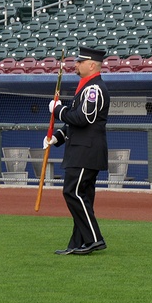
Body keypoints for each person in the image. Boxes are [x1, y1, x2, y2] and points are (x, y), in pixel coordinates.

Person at [45, 47, 111, 256]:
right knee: (83, 197)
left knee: (72, 192)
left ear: (91, 65)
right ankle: (77, 243)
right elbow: (75, 123)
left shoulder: (94, 89)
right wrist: (57, 137)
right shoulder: (85, 87)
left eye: (80, 62)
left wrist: (58, 110)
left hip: (85, 152)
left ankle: (94, 239)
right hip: (82, 151)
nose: (76, 64)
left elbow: (84, 119)